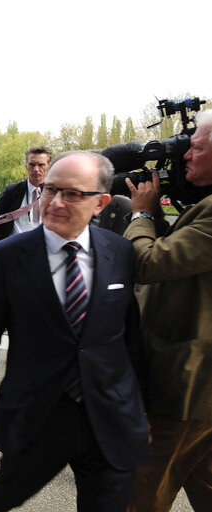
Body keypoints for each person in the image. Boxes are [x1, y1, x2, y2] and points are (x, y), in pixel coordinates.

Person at [0, 150, 149, 511]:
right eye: (50, 190)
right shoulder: (6, 255)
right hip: (39, 416)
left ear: (101, 203)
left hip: (109, 416)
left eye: (73, 194)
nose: (56, 202)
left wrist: (144, 409)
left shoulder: (122, 251)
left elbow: (131, 338)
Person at [124, 110, 212, 512]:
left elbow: (148, 264)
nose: (186, 156)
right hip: (200, 394)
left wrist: (140, 212)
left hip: (183, 390)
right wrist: (157, 212)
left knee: (138, 494)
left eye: (195, 147)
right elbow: (180, 259)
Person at [0, 146, 52, 263]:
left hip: (42, 254)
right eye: (32, 164)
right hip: (14, 252)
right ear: (26, 165)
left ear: (48, 165)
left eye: (41, 165)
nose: (36, 169)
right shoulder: (11, 192)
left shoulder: (56, 193)